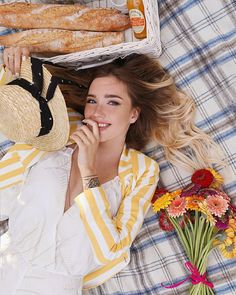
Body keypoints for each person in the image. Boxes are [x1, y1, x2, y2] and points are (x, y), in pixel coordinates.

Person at [0, 48, 224, 295]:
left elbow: (111, 250)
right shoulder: (58, 129)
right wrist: (12, 72)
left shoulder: (142, 172)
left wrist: (88, 172)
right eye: (92, 100)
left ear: (133, 113)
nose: (97, 112)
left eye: (113, 102)